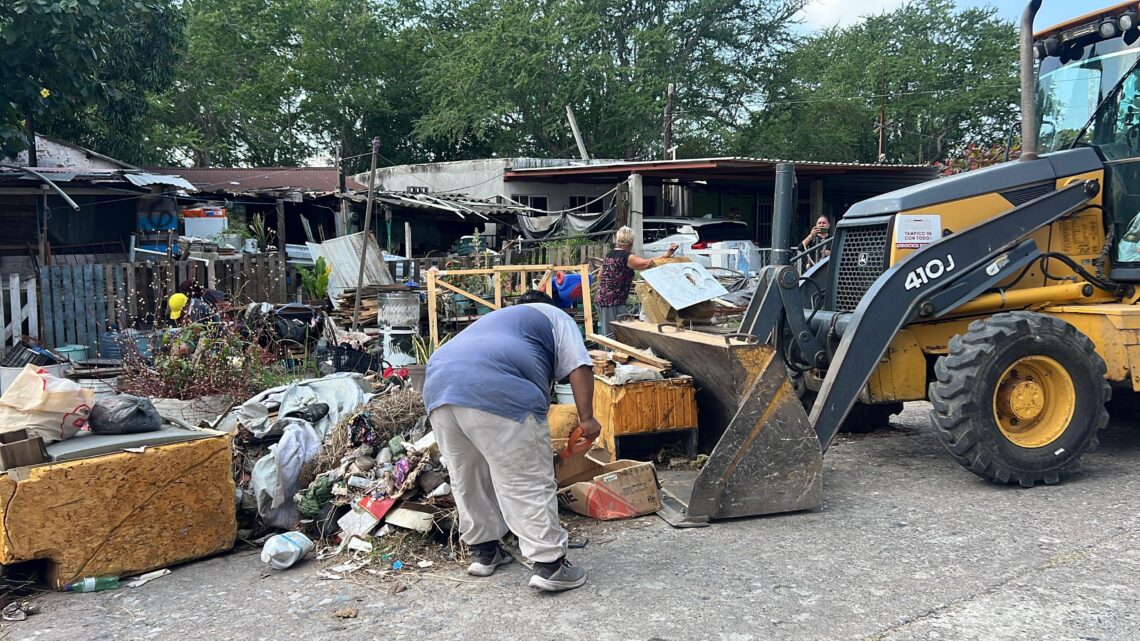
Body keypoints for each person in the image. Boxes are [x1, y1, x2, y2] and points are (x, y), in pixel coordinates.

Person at [422, 289, 600, 592]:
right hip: (498, 388)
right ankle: (550, 566)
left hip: (439, 388)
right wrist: (587, 419)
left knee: (468, 477)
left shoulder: (497, 319)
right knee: (526, 479)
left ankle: (485, 553)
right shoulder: (556, 316)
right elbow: (578, 366)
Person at [595, 226, 678, 337]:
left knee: (618, 333)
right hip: (612, 302)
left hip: (606, 300)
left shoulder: (609, 254)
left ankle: (615, 353)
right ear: (631, 242)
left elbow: (600, 276)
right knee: (613, 335)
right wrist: (666, 255)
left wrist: (606, 289)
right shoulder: (626, 257)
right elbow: (646, 264)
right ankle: (612, 354)